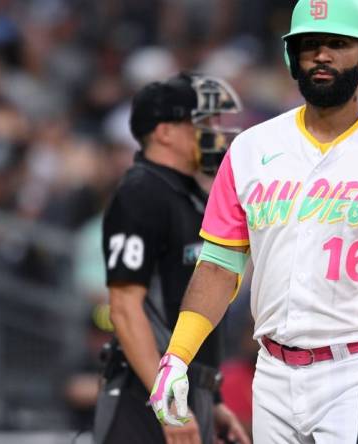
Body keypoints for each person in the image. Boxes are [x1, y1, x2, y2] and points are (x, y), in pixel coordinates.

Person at [149, 1, 358, 442]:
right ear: (291, 58)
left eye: (337, 44)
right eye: (309, 45)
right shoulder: (250, 150)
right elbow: (218, 267)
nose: (321, 55)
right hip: (273, 371)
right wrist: (177, 356)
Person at [94, 73, 250, 444]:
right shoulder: (141, 192)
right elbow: (124, 307)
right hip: (147, 396)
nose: (215, 131)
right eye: (202, 121)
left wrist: (211, 398)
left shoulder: (187, 195)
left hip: (186, 390)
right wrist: (170, 405)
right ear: (165, 132)